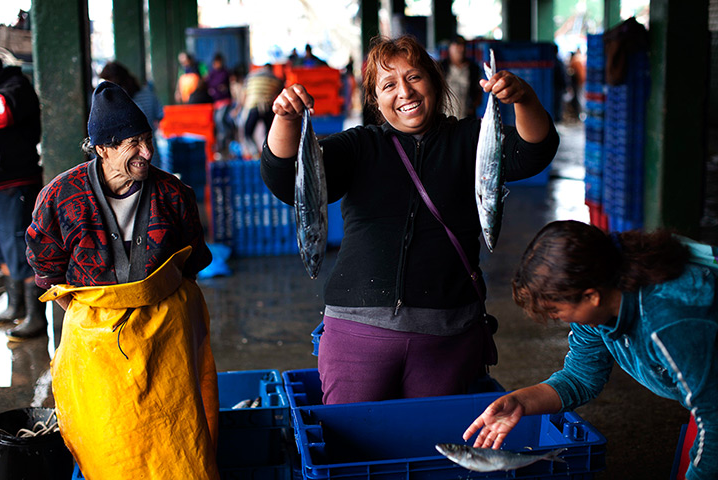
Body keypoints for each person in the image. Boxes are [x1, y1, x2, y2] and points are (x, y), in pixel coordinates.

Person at [261, 34, 559, 405]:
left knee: (433, 447)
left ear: (434, 81)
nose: (405, 92)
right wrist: (286, 119)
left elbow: (534, 152)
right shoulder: (359, 147)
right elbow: (288, 179)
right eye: (389, 84)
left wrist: (523, 99)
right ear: (375, 100)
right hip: (358, 333)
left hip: (448, 334)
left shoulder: (470, 138)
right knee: (354, 445)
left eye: (415, 77)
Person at [25, 81, 219, 479]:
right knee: (108, 446)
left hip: (166, 341)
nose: (146, 153)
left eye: (148, 140)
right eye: (133, 143)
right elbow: (45, 266)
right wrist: (87, 314)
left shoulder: (174, 194)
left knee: (178, 442)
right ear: (102, 148)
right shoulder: (60, 198)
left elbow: (193, 260)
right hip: (95, 348)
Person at [462, 220, 718, 480]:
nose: (558, 319)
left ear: (591, 296)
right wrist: (521, 402)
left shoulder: (669, 323)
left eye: (556, 311)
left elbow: (715, 419)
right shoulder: (601, 302)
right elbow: (580, 378)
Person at [0, 57, 47, 341]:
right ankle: (15, 305)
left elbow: (3, 112)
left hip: (17, 181)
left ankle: (35, 317)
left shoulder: (16, 85)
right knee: (3, 248)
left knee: (21, 247)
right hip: (1, 184)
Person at [240, 63, 284, 156]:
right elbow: (280, 94)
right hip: (268, 107)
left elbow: (244, 94)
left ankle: (255, 153)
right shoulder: (275, 78)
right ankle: (269, 154)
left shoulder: (251, 76)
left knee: (247, 132)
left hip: (253, 106)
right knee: (269, 133)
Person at [439, 35, 482, 119]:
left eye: (463, 46)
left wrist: (473, 106)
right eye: (457, 45)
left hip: (466, 119)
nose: (460, 49)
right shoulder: (441, 67)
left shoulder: (473, 69)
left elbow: (478, 92)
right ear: (450, 48)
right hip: (444, 119)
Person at [206, 52, 234, 156]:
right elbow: (210, 84)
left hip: (225, 101)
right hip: (216, 102)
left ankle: (226, 140)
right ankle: (222, 143)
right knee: (217, 122)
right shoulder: (212, 73)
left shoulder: (226, 73)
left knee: (220, 119)